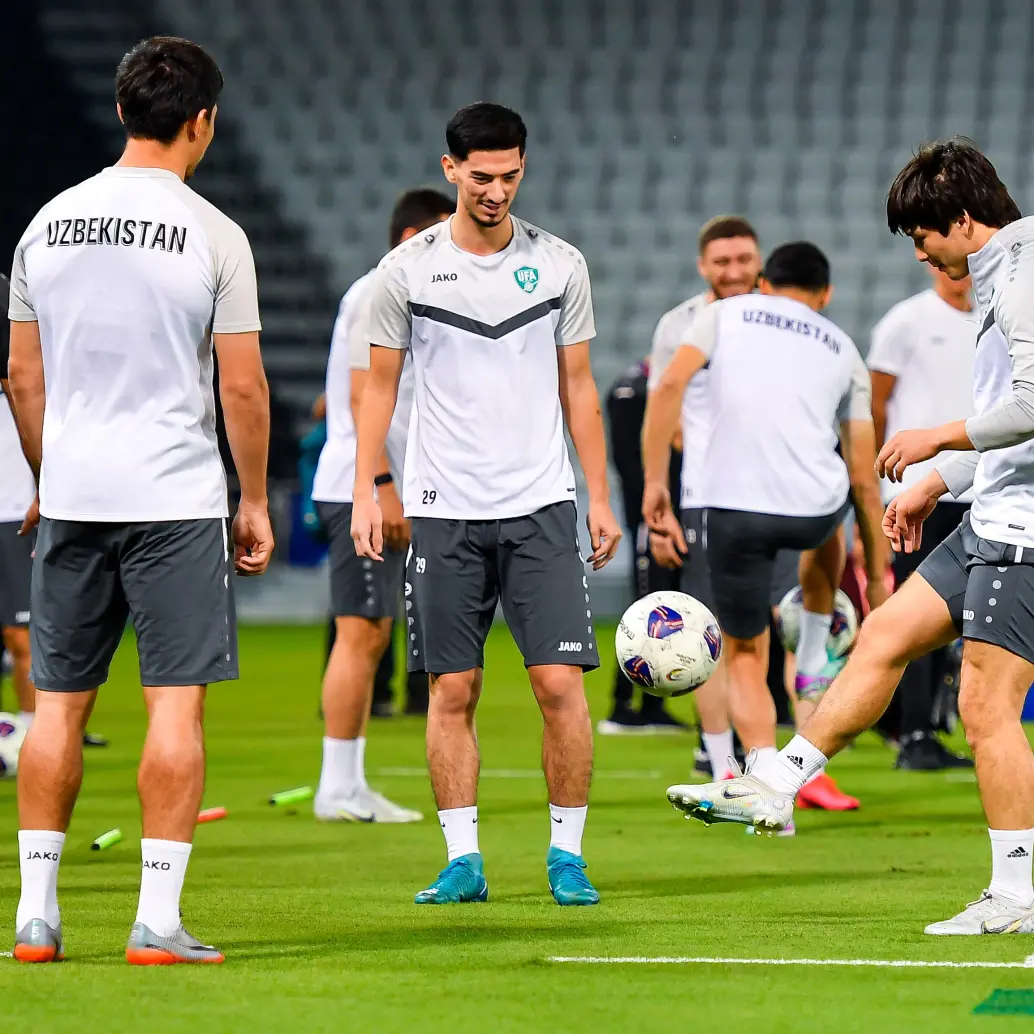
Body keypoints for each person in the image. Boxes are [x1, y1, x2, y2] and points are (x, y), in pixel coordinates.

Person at [668, 139, 1034, 936]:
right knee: (884, 635)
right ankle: (774, 784)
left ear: (965, 221)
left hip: (1025, 533)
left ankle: (1017, 895)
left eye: (924, 237)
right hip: (992, 510)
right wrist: (947, 482)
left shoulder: (1027, 273)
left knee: (984, 705)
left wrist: (941, 442)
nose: (923, 253)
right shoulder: (1004, 273)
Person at [7, 36, 273, 964]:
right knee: (173, 712)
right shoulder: (214, 233)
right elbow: (241, 388)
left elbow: (21, 376)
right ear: (203, 121)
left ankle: (35, 918)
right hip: (174, 499)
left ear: (123, 112)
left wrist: (48, 477)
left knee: (56, 709)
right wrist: (253, 501)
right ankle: (155, 922)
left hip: (75, 496)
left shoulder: (47, 222)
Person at [351, 102, 622, 906]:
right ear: (450, 171)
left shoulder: (562, 264)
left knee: (559, 687)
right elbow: (377, 389)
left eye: (508, 175)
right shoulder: (403, 273)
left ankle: (566, 857)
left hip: (541, 504)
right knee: (451, 690)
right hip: (444, 509)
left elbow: (580, 389)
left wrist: (598, 498)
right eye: (480, 176)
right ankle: (462, 860)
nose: (495, 190)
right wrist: (373, 486)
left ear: (523, 170)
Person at [645, 242, 889, 824]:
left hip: (733, 508)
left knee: (747, 652)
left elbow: (670, 386)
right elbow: (863, 475)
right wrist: (878, 577)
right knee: (827, 526)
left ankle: (768, 796)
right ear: (825, 294)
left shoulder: (721, 314)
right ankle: (811, 644)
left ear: (763, 282)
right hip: (815, 506)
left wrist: (656, 480)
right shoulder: (843, 347)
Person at [311, 188, 453, 822]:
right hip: (361, 486)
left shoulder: (404, 293)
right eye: (441, 234)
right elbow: (358, 392)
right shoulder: (378, 291)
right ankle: (336, 787)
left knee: (372, 633)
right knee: (361, 631)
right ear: (410, 238)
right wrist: (383, 485)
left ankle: (350, 780)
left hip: (377, 484)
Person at [644, 217, 762, 777]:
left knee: (782, 626)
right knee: (709, 628)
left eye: (743, 259)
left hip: (778, 495)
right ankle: (722, 763)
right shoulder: (680, 326)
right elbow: (666, 417)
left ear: (759, 259)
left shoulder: (783, 318)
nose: (734, 271)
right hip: (710, 497)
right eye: (722, 261)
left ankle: (787, 763)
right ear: (702, 265)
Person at [869, 265, 977, 770]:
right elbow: (875, 402)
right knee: (916, 613)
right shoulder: (906, 321)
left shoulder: (1000, 322)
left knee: (964, 618)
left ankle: (931, 729)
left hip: (978, 487)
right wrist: (872, 484)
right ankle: (910, 733)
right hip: (917, 490)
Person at [599, 356, 686, 734]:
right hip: (653, 521)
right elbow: (628, 464)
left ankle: (650, 704)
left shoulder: (640, 387)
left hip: (666, 519)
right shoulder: (634, 390)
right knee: (647, 610)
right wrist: (648, 520)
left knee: (662, 610)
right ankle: (623, 706)